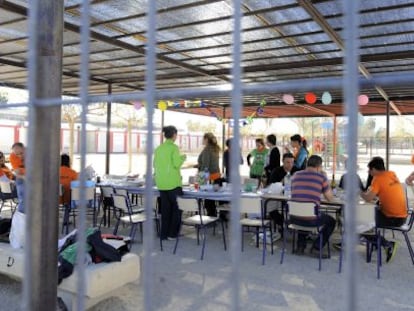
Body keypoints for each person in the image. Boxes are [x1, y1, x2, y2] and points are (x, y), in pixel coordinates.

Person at [360, 157, 407, 263]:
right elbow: (388, 192)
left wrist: (358, 192)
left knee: (361, 221)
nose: (369, 172)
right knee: (367, 216)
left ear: (374, 169)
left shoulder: (378, 179)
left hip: (392, 218)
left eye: (370, 170)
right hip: (402, 216)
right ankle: (376, 242)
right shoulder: (391, 174)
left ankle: (387, 244)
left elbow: (368, 198)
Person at [290, 155, 336, 255]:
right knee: (331, 221)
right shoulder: (321, 177)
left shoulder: (296, 175)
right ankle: (316, 247)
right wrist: (325, 178)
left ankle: (300, 246)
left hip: (293, 218)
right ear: (319, 167)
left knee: (303, 211)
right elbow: (330, 198)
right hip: (311, 220)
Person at [154, 126, 187, 241]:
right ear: (174, 135)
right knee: (177, 210)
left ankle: (163, 234)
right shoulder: (174, 148)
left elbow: (155, 165)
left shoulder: (159, 149)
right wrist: (183, 157)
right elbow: (176, 164)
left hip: (161, 184)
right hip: (173, 184)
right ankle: (172, 234)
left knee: (165, 210)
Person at [268, 152, 299, 236]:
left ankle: (294, 224)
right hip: (278, 196)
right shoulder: (276, 171)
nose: (290, 165)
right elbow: (271, 185)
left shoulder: (297, 171)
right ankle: (281, 223)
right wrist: (282, 182)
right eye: (288, 162)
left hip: (293, 196)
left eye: (292, 162)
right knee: (270, 206)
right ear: (283, 162)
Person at [197, 132, 221, 216]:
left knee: (208, 199)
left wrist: (201, 180)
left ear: (206, 139)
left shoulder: (207, 149)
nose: (202, 140)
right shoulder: (215, 148)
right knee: (212, 198)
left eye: (203, 138)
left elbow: (206, 165)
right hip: (216, 176)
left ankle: (211, 217)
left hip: (209, 177)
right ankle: (213, 216)